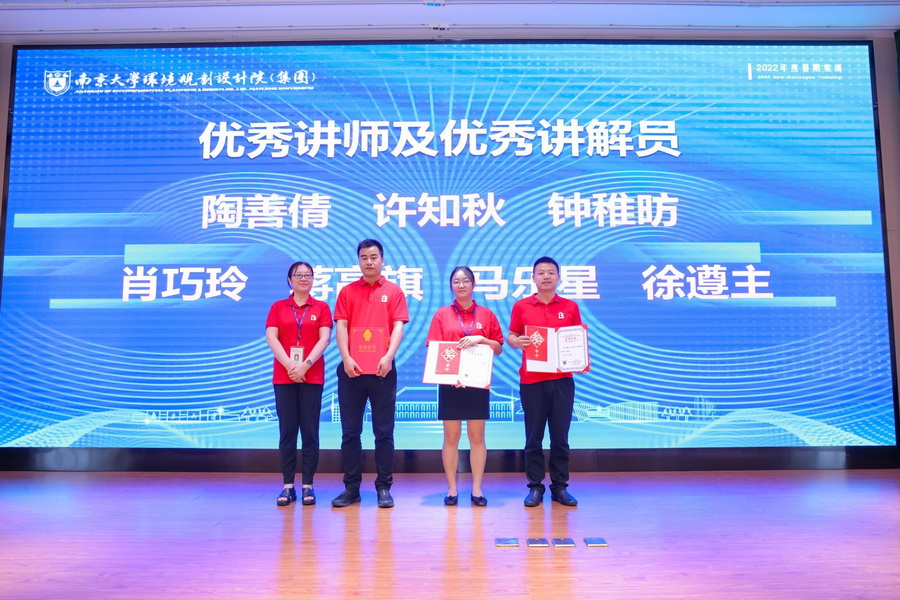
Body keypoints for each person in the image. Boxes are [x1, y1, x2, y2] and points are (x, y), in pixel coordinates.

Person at [331, 239, 409, 508]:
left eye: (374, 257)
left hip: (383, 370)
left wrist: (388, 357)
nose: (369, 261)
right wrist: (346, 358)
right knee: (350, 432)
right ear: (358, 261)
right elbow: (341, 326)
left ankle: (384, 487)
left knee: (384, 432)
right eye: (364, 257)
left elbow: (398, 327)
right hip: (351, 370)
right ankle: (351, 488)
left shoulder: (394, 291)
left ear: (382, 260)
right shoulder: (347, 292)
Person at [507, 257, 582, 507]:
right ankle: (535, 487)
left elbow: (576, 339)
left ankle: (560, 487)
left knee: (560, 437)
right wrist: (516, 341)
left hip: (562, 380)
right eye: (541, 273)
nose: (546, 276)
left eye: (551, 272)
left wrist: (580, 358)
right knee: (533, 437)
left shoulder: (570, 307)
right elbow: (511, 336)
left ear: (559, 277)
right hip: (532, 380)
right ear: (533, 278)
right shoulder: (521, 306)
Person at [426, 266, 503, 507]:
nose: (461, 285)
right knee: (451, 437)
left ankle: (477, 489)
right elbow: (434, 349)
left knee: (477, 437)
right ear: (451, 286)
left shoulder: (487, 315)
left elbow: (498, 348)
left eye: (466, 281)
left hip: (477, 382)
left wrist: (482, 339)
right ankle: (452, 489)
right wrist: (452, 374)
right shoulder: (442, 314)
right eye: (456, 281)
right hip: (451, 383)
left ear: (473, 284)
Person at [265, 261, 333, 507]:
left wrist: (305, 365)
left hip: (312, 376)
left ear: (313, 279)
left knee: (310, 432)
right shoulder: (278, 307)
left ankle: (308, 486)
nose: (304, 278)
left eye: (308, 275)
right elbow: (271, 337)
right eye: (298, 275)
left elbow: (325, 339)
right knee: (287, 432)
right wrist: (290, 366)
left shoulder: (322, 307)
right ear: (289, 280)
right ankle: (287, 486)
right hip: (284, 377)